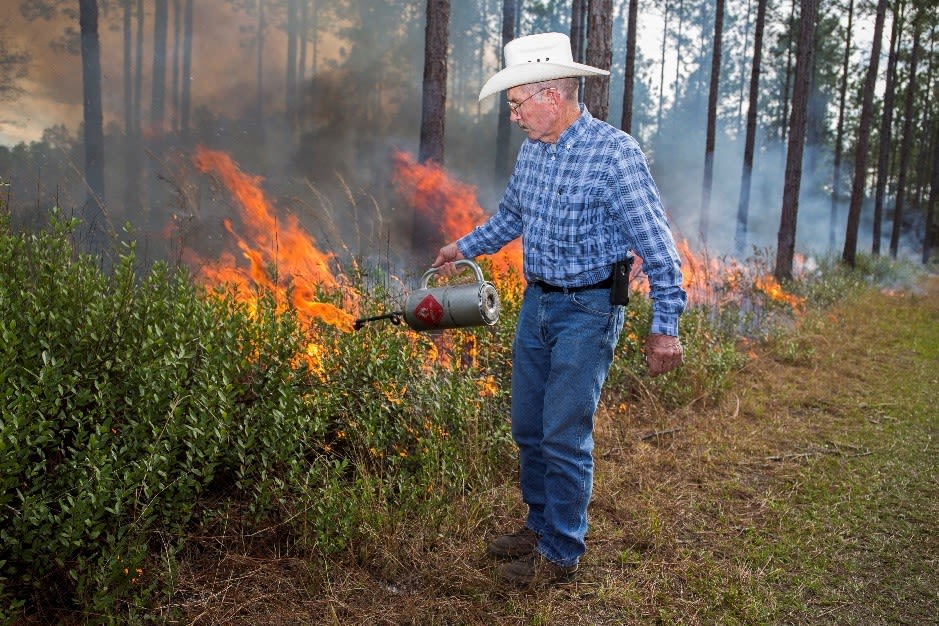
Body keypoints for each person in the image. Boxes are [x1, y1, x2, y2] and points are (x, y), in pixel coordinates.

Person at [432, 32, 687, 588]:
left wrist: (665, 328)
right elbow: (509, 219)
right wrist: (462, 248)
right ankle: (539, 523)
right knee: (528, 427)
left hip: (590, 310)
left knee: (563, 433)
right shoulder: (532, 151)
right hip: (538, 305)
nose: (515, 117)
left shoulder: (614, 156)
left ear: (552, 93)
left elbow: (661, 249)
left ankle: (561, 552)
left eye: (518, 104)